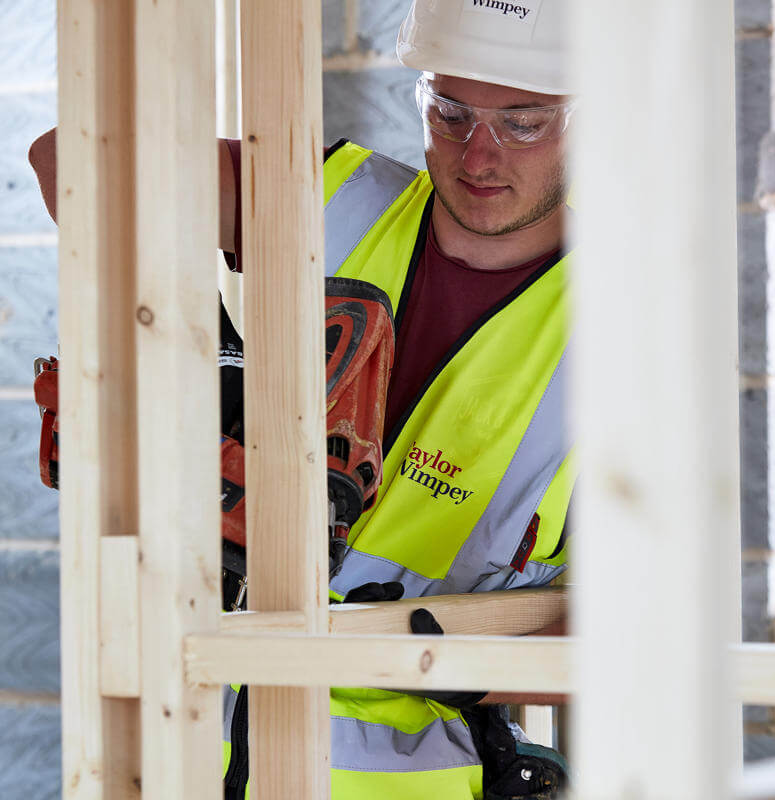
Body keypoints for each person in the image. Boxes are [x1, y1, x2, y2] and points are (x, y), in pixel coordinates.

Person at [28, 1, 574, 797]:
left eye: (523, 124)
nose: (479, 154)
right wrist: (198, 355)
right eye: (451, 113)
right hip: (188, 742)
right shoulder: (333, 197)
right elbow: (67, 160)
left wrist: (446, 664)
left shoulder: (625, 344)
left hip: (397, 775)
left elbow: (645, 628)